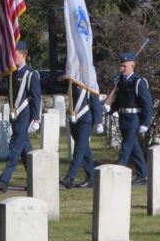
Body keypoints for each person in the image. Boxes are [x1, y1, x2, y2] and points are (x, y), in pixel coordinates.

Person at [0, 41, 41, 192]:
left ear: (23, 54)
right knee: (26, 151)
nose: (12, 57)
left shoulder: (31, 74)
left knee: (15, 147)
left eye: (15, 55)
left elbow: (36, 97)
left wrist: (36, 118)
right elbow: (8, 91)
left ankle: (4, 180)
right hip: (15, 116)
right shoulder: (12, 73)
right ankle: (38, 179)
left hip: (24, 115)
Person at [103, 52, 152, 184]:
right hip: (123, 118)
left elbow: (147, 104)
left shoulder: (139, 82)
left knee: (125, 147)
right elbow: (119, 101)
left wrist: (145, 123)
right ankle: (143, 174)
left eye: (124, 66)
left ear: (132, 66)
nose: (121, 68)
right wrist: (111, 109)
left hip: (134, 119)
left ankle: (117, 173)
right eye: (121, 66)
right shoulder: (121, 82)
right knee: (134, 147)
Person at [59, 82, 103, 189]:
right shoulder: (72, 83)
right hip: (74, 120)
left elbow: (96, 103)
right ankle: (91, 177)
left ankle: (70, 177)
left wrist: (98, 122)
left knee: (79, 149)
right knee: (84, 150)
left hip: (85, 120)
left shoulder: (89, 83)